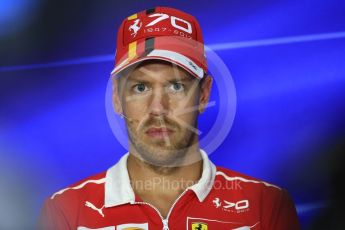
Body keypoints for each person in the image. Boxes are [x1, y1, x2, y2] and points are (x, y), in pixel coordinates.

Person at [39, 6, 300, 230]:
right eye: (140, 87)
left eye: (176, 86)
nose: (158, 108)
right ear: (117, 98)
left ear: (203, 95)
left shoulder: (264, 207)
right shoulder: (67, 212)